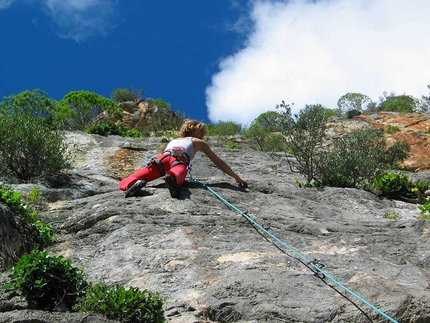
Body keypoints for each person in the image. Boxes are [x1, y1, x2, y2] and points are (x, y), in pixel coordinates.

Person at [118, 119, 248, 198]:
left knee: (139, 175)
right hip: (179, 159)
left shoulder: (174, 140)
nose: (203, 134)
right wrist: (236, 177)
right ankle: (172, 179)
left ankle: (130, 184)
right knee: (179, 171)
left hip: (161, 159)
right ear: (192, 130)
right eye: (201, 131)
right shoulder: (198, 141)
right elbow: (218, 162)